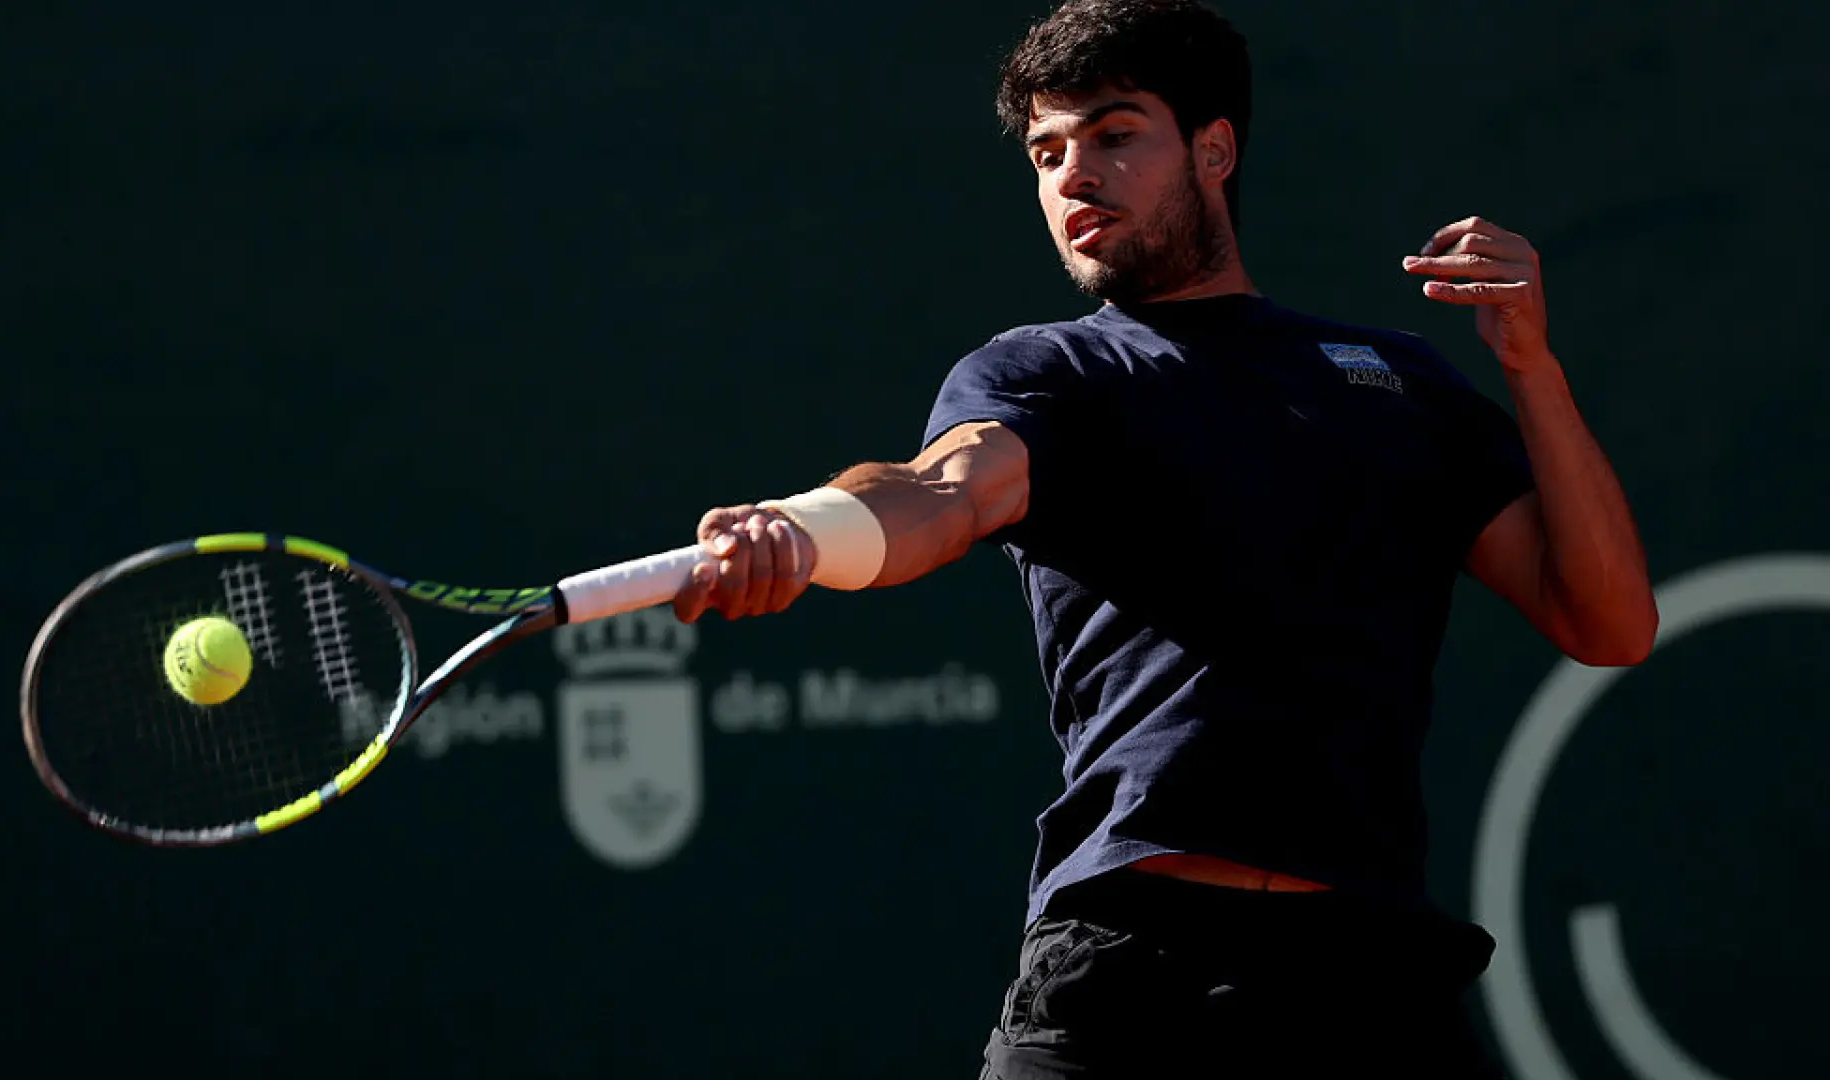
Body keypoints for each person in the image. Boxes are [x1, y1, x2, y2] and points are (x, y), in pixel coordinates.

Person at [669, 0, 1658, 1075]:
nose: (1074, 177)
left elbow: (1608, 622)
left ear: (1213, 150)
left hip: (1367, 978)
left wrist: (1531, 368)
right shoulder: (1047, 372)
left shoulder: (1397, 382)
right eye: (1048, 153)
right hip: (1122, 974)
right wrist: (804, 531)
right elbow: (938, 491)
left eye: (1113, 135)